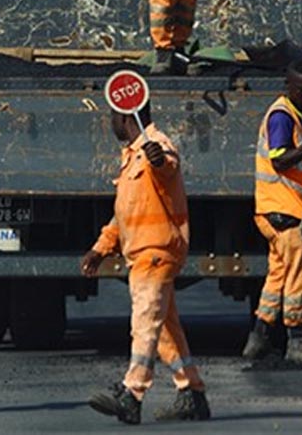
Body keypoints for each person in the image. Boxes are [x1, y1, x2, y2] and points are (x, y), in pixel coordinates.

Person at [82, 100, 210, 424]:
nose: (110, 123)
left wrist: (159, 160)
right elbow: (125, 213)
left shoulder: (157, 146)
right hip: (141, 252)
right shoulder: (132, 156)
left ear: (125, 116)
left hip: (156, 251)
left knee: (144, 323)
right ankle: (192, 393)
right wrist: (100, 249)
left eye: (112, 115)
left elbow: (167, 165)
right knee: (166, 328)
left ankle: (132, 393)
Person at [242, 60, 302, 365]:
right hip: (281, 208)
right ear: (288, 86)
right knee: (298, 273)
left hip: (279, 206)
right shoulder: (281, 117)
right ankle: (297, 339)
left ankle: (259, 336)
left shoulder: (299, 114)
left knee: (278, 273)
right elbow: (279, 161)